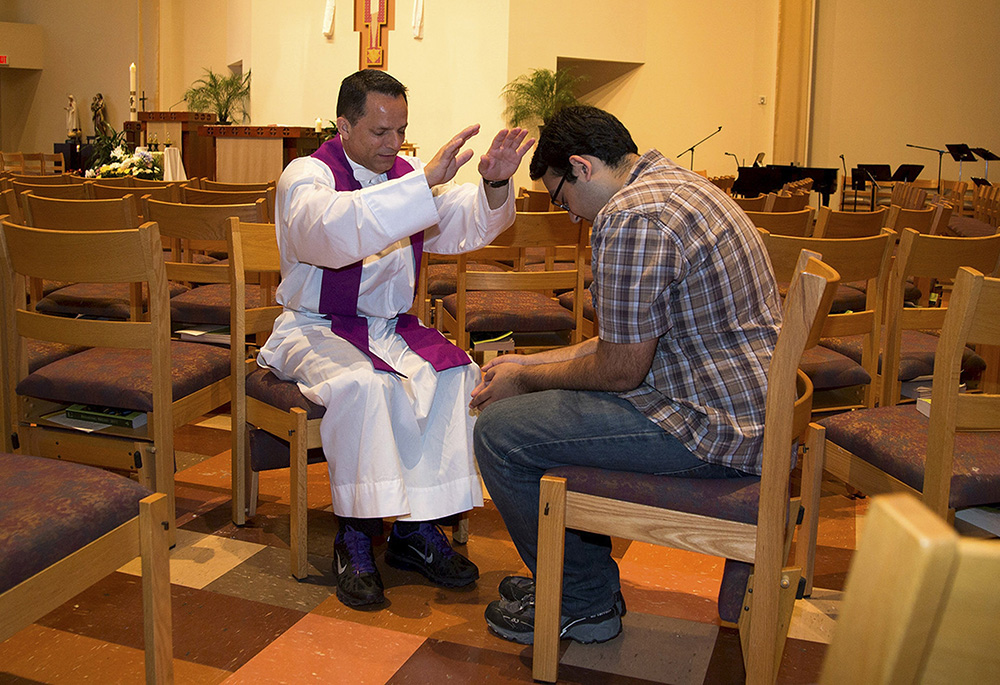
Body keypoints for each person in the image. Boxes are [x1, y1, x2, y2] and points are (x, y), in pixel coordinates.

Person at [471, 106, 782, 644]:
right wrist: (529, 362)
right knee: (538, 415)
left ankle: (581, 602)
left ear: (581, 166)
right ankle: (575, 578)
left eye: (561, 198)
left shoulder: (631, 215)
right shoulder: (677, 185)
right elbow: (629, 338)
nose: (570, 217)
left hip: (707, 426)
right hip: (740, 406)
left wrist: (523, 383)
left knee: (501, 433)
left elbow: (620, 370)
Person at [256, 69, 533, 608]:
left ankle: (415, 531)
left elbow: (463, 221)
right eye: (380, 132)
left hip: (388, 328)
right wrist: (418, 187)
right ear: (344, 125)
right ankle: (355, 534)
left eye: (400, 130)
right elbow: (331, 232)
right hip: (315, 327)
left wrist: (494, 184)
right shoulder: (306, 176)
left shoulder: (406, 176)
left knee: (456, 375)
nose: (393, 144)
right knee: (365, 387)